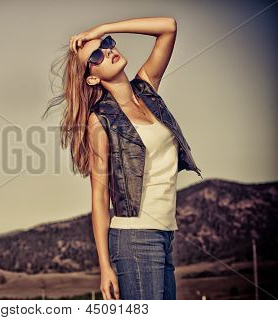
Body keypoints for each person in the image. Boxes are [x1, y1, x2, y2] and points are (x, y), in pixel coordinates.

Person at [43, 17, 202, 300]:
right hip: (135, 239)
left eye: (106, 45)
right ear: (92, 78)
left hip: (165, 234)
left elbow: (169, 27)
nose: (106, 51)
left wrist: (103, 29)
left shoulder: (146, 90)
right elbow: (100, 197)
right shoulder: (100, 120)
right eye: (95, 55)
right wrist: (105, 266)